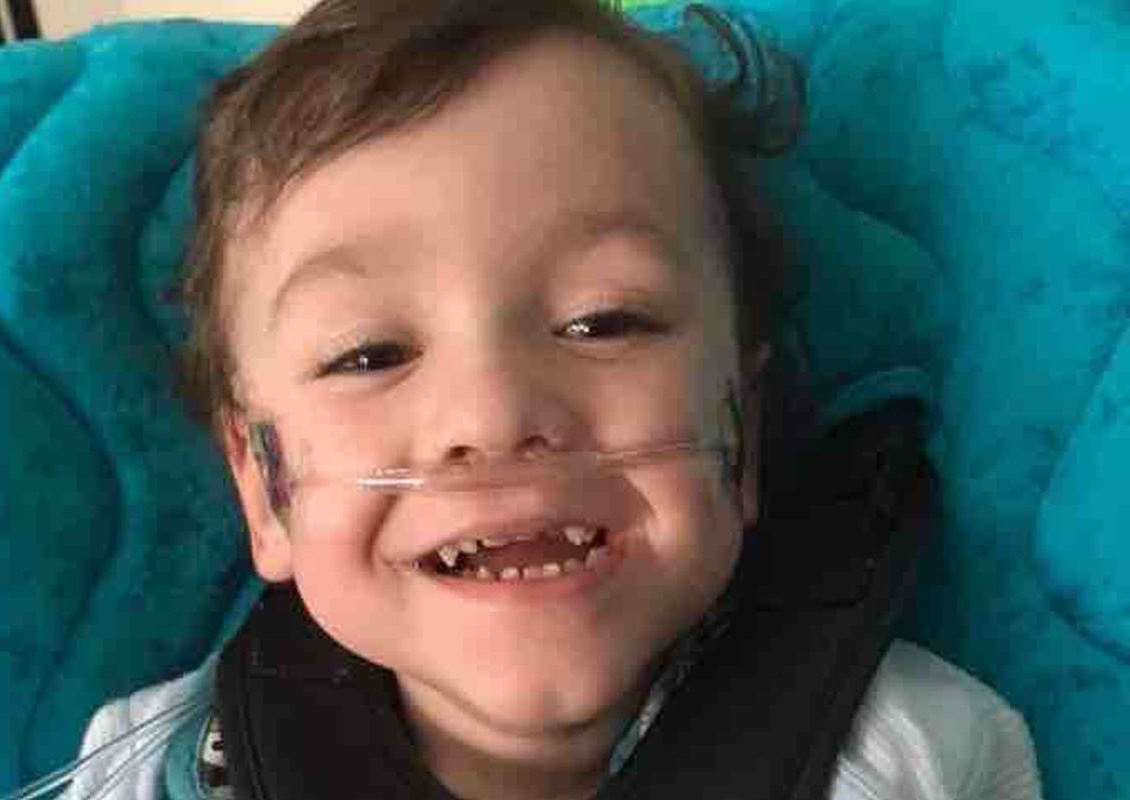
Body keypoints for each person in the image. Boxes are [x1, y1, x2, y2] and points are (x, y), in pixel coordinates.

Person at [53, 2, 1042, 799]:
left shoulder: (917, 756)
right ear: (263, 490)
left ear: (740, 432)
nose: (493, 416)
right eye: (369, 353)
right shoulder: (146, 768)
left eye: (602, 321)